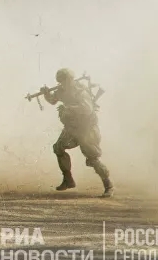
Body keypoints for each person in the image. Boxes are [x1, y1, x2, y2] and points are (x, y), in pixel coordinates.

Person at [43, 68, 112, 197]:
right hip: (72, 128)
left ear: (70, 79)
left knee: (92, 158)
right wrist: (46, 94)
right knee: (58, 148)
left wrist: (68, 108)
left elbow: (87, 108)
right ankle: (68, 179)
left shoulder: (80, 91)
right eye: (60, 81)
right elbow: (53, 100)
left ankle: (108, 185)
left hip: (86, 128)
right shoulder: (61, 90)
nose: (62, 83)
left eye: (64, 80)